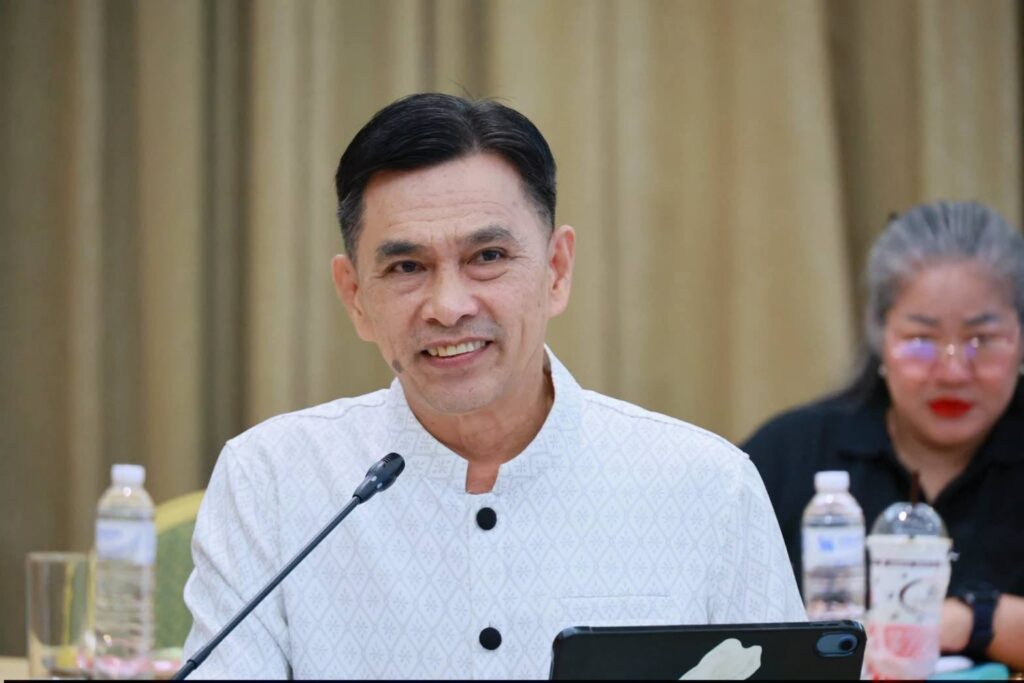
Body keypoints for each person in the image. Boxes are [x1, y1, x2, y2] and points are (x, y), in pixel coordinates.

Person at [182, 93, 804, 678]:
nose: (448, 306)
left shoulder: (707, 486)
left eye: (488, 258)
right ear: (355, 297)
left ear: (556, 270)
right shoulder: (271, 480)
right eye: (406, 266)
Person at [743, 201, 1024, 670]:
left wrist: (971, 620)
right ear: (879, 337)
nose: (953, 371)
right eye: (921, 340)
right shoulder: (788, 454)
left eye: (982, 340)